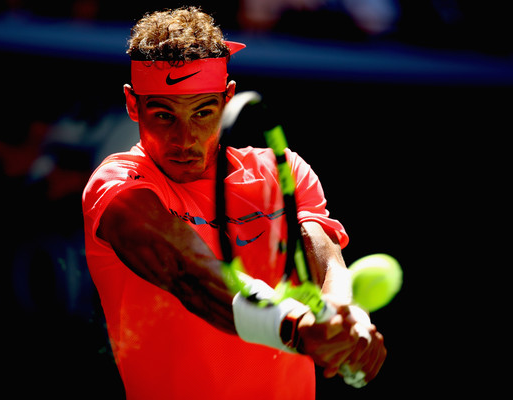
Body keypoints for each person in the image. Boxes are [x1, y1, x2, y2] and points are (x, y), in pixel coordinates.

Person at [82, 6, 386, 399]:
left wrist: (345, 319)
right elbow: (191, 276)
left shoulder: (283, 170)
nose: (185, 139)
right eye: (163, 115)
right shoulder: (117, 186)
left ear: (227, 99)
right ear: (132, 105)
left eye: (203, 113)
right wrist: (294, 326)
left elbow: (327, 262)